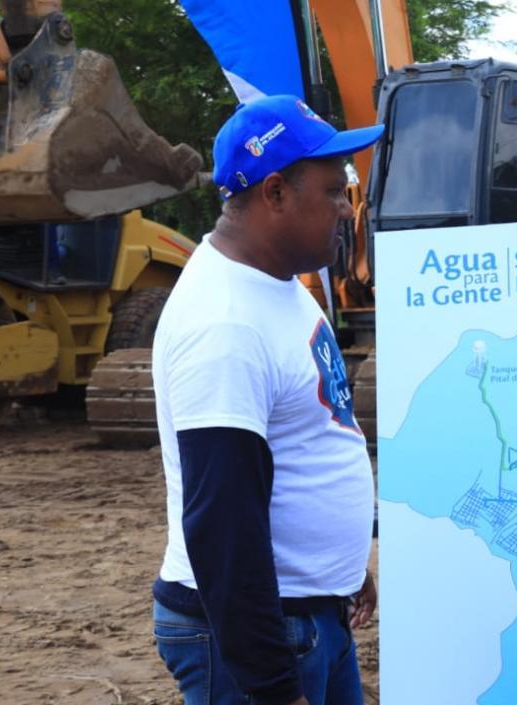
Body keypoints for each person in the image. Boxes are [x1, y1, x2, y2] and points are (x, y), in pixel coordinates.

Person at [150, 94, 383, 705]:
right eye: (334, 191)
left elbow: (310, 435)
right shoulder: (224, 326)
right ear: (275, 192)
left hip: (310, 614)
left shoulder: (279, 285)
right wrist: (276, 689)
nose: (344, 209)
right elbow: (222, 524)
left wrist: (345, 563)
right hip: (262, 638)